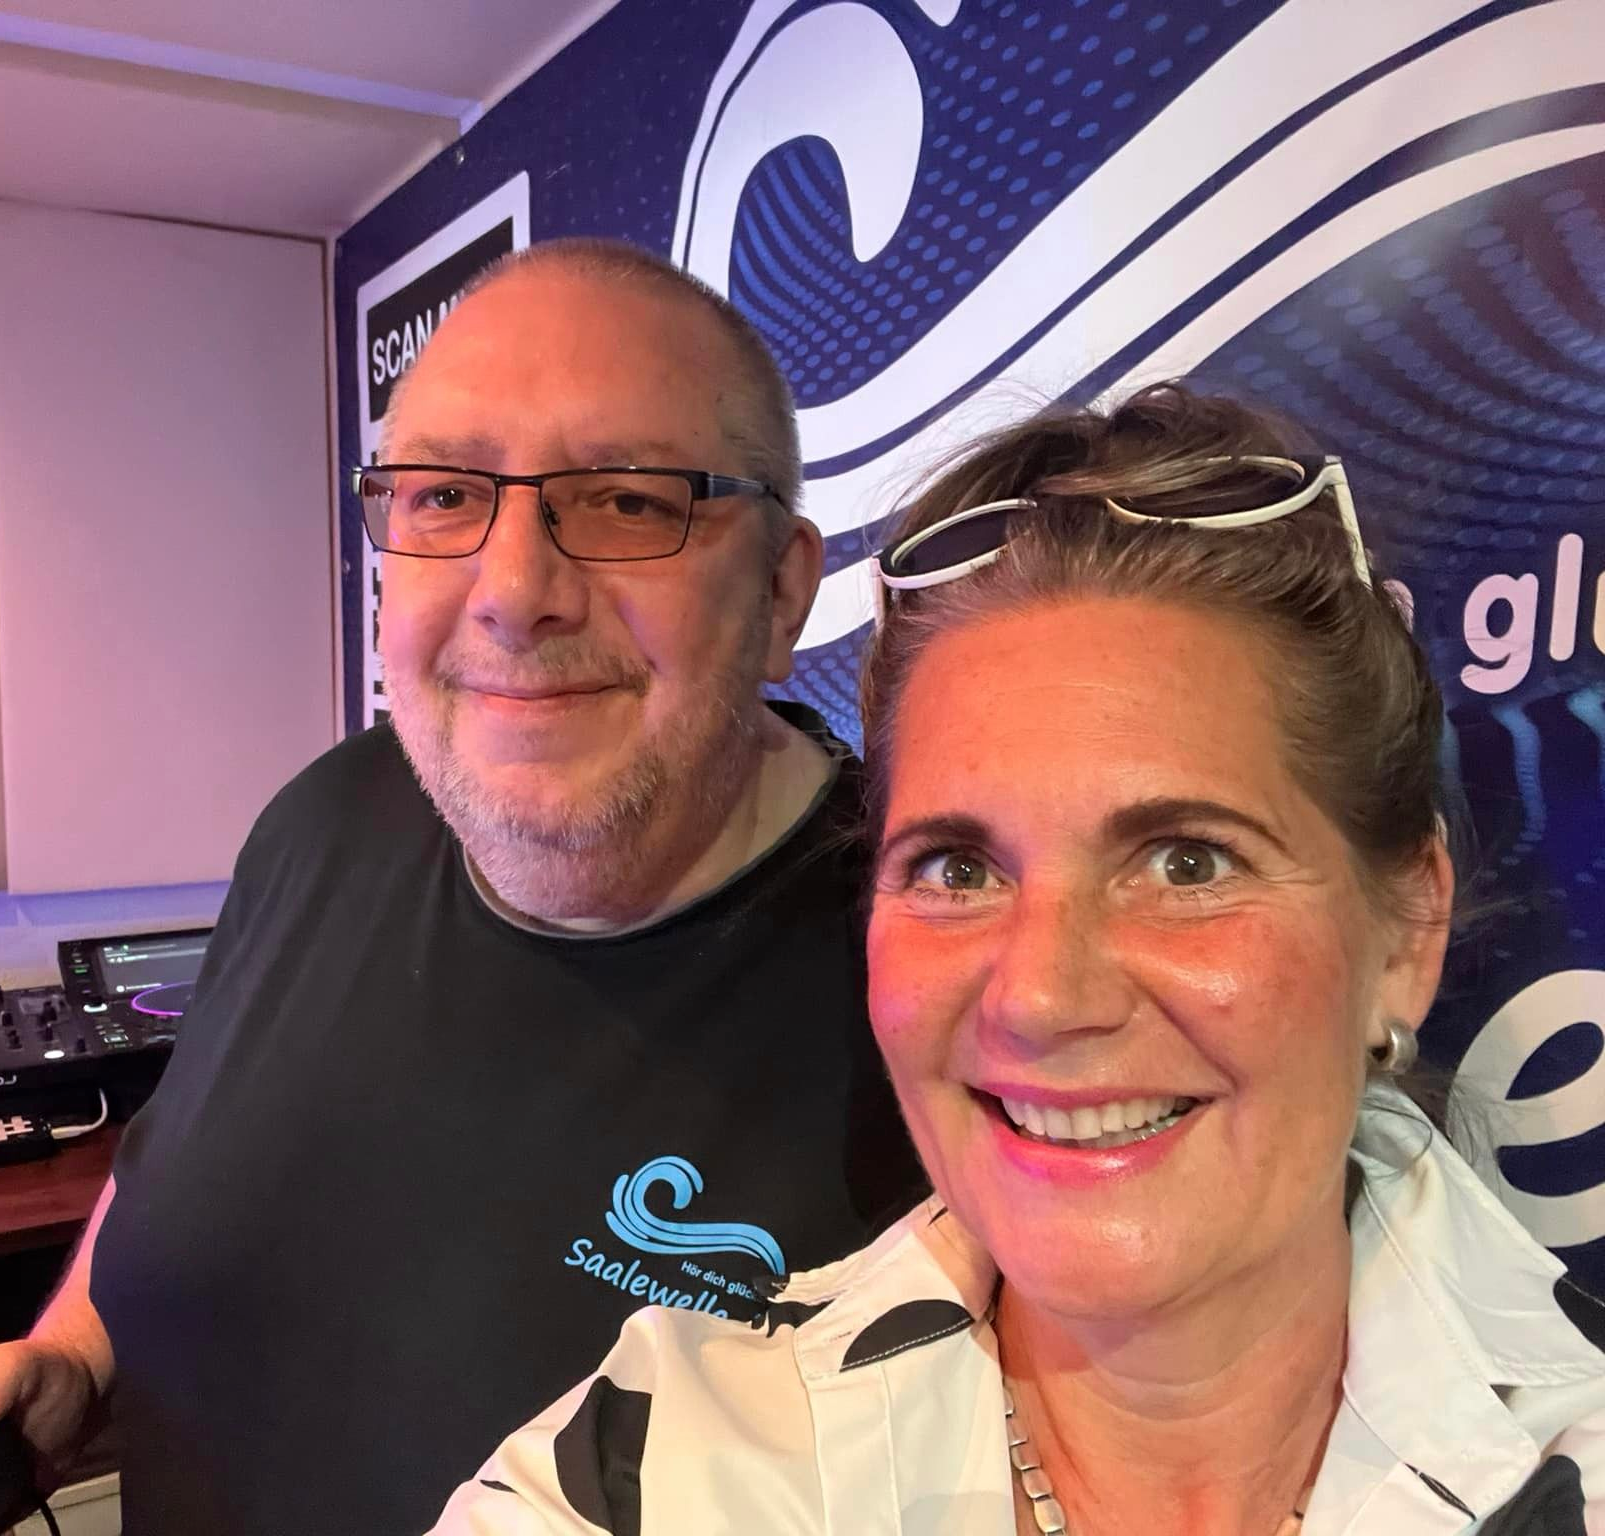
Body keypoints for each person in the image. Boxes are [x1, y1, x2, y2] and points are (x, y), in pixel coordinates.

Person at [0, 238, 921, 1534]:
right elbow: (175, 1173)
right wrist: (74, 1360)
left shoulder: (935, 1003)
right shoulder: (324, 819)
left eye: (627, 500)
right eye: (444, 495)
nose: (515, 592)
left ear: (781, 589)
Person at [430, 384, 1605, 1535]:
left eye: (1186, 862)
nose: (1042, 996)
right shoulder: (649, 1473)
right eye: (957, 869)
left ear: (1404, 932)